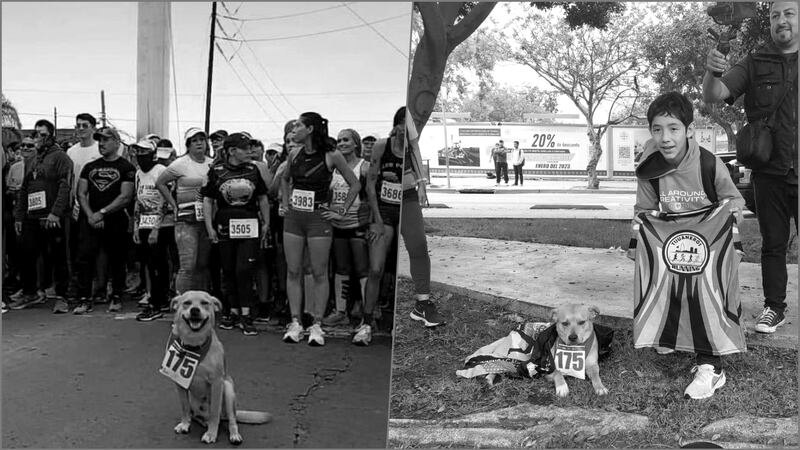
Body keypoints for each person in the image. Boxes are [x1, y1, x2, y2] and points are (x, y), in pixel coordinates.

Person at [629, 92, 746, 400]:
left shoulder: (708, 163)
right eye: (657, 129)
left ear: (689, 130)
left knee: (708, 295)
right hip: (671, 242)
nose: (665, 137)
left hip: (708, 245)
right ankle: (672, 336)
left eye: (673, 128)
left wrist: (730, 219)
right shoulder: (649, 166)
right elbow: (643, 208)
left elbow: (734, 199)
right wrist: (635, 240)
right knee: (666, 286)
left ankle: (712, 366)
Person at [702, 0, 798, 334]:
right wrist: (713, 68)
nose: (780, 20)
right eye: (774, 16)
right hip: (769, 171)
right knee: (773, 244)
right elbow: (713, 95)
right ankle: (774, 308)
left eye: (788, 13)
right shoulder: (755, 61)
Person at [279, 112, 361, 346]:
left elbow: (355, 184)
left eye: (298, 126)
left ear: (311, 129)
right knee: (293, 270)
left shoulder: (332, 155)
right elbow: (285, 179)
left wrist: (341, 211)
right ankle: (295, 322)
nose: (294, 129)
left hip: (318, 219)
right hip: (294, 218)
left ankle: (317, 323)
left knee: (319, 272)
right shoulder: (294, 153)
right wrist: (285, 203)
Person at [201, 133, 270, 336]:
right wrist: (209, 227)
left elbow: (263, 198)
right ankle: (232, 311)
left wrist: (266, 223)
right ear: (232, 151)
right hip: (224, 224)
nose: (250, 151)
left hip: (250, 224)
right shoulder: (216, 170)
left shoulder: (253, 169)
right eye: (245, 148)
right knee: (228, 269)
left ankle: (247, 313)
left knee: (244, 269)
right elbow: (207, 200)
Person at [73, 127, 135, 314]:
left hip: (115, 219)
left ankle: (116, 296)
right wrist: (91, 215)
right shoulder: (90, 167)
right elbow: (81, 193)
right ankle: (84, 298)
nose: (102, 143)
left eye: (107, 140)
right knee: (84, 258)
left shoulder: (126, 167)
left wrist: (103, 212)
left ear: (117, 143)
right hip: (90, 219)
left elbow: (125, 196)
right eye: (100, 140)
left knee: (117, 259)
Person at [10, 129, 73, 311]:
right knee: (26, 253)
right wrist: (19, 217)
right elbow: (24, 189)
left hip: (52, 216)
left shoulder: (61, 157)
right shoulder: (32, 159)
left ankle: (63, 296)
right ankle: (31, 293)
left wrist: (56, 212)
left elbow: (65, 185)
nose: (38, 138)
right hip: (32, 216)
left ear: (50, 136)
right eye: (36, 134)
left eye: (42, 135)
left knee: (58, 257)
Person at [321, 129, 370, 332]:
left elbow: (369, 195)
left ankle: (367, 313)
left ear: (356, 143)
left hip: (358, 224)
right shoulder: (332, 167)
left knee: (362, 269)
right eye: (339, 140)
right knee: (341, 268)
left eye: (346, 139)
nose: (341, 143)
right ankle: (341, 312)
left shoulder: (364, 167)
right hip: (337, 225)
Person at [156, 128, 213, 294]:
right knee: (187, 265)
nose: (199, 143)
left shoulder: (212, 163)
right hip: (185, 220)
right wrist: (173, 205)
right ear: (188, 145)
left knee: (202, 265)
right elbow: (160, 183)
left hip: (206, 219)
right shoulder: (180, 163)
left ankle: (202, 302)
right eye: (194, 140)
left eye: (202, 139)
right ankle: (181, 304)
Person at [403, 108, 441, 328]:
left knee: (418, 244)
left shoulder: (405, 112)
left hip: (407, 193)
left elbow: (414, 147)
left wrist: (421, 183)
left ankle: (423, 304)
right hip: (382, 197)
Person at [131, 139, 173, 322]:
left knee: (159, 263)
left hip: (161, 224)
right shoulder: (138, 173)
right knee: (148, 263)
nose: (140, 156)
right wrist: (135, 225)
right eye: (138, 152)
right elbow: (138, 198)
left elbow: (166, 200)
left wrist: (157, 227)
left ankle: (157, 302)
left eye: (144, 152)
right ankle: (156, 298)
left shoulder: (161, 171)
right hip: (144, 223)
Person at [65, 113, 100, 311]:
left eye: (85, 125)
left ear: (93, 127)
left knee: (99, 251)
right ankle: (80, 289)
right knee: (79, 251)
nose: (80, 129)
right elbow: (70, 180)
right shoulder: (71, 151)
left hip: (98, 206)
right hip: (77, 207)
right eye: (78, 125)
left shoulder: (99, 148)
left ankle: (102, 287)